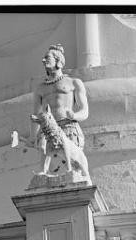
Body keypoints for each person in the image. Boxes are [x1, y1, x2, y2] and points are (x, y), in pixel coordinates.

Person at [30, 44, 89, 175]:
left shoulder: (74, 83)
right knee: (44, 170)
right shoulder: (40, 88)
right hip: (49, 131)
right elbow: (36, 115)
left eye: (47, 58)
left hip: (69, 127)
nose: (43, 61)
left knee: (75, 166)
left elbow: (85, 111)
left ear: (58, 61)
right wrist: (33, 137)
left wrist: (74, 116)